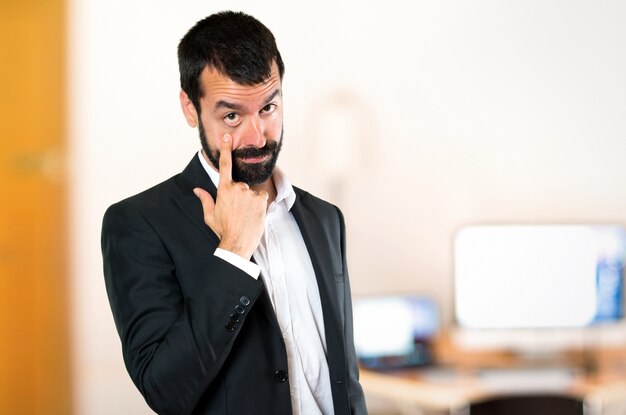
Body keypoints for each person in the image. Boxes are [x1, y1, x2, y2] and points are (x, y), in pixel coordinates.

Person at [101, 11, 368, 415]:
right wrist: (234, 251)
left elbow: (344, 380)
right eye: (231, 116)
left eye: (268, 108)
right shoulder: (138, 224)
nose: (256, 136)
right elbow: (165, 392)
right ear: (190, 109)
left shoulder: (325, 218)